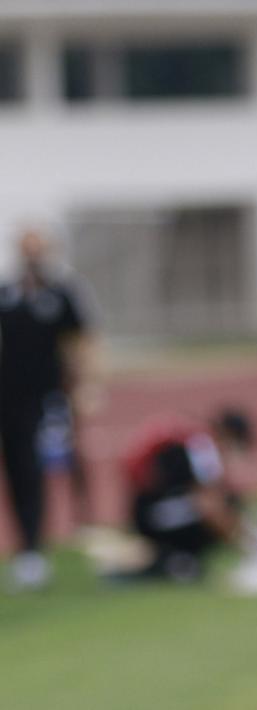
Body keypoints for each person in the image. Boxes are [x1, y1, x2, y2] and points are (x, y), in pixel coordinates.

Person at [0, 226, 100, 591]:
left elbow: (82, 339)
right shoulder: (7, 294)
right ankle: (29, 547)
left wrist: (87, 384)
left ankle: (82, 526)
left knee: (62, 463)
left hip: (51, 398)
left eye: (37, 250)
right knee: (21, 470)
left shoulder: (62, 294)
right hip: (10, 399)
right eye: (26, 250)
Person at [117, 408, 254, 582]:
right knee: (225, 506)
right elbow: (209, 505)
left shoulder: (193, 441)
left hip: (151, 513)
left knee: (225, 505)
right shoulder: (202, 446)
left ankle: (178, 559)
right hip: (155, 518)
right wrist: (248, 546)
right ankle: (176, 560)